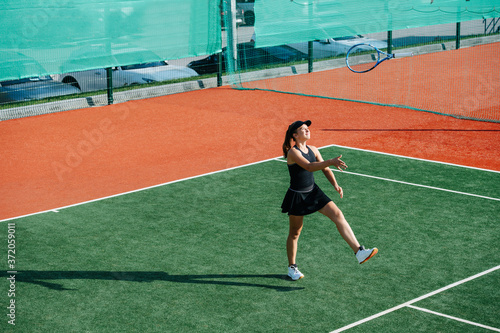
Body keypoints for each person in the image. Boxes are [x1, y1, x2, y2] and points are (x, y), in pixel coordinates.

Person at [281, 120, 378, 280]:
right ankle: (292, 267)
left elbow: (324, 168)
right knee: (295, 232)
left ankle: (359, 252)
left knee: (338, 215)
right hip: (298, 196)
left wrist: (335, 184)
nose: (307, 131)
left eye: (307, 129)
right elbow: (310, 166)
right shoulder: (293, 153)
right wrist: (331, 161)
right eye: (303, 129)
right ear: (295, 135)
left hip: (313, 192)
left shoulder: (313, 149)